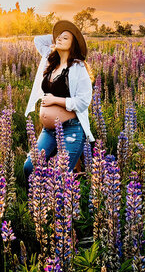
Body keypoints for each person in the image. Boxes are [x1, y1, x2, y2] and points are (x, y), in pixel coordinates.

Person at [23, 20, 95, 178]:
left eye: (66, 38)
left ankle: (60, 200)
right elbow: (38, 40)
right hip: (49, 131)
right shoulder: (50, 61)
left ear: (73, 45)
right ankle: (37, 201)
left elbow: (83, 102)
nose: (60, 40)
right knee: (29, 168)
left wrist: (55, 100)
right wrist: (59, 36)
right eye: (58, 37)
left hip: (71, 128)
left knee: (59, 176)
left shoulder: (78, 68)